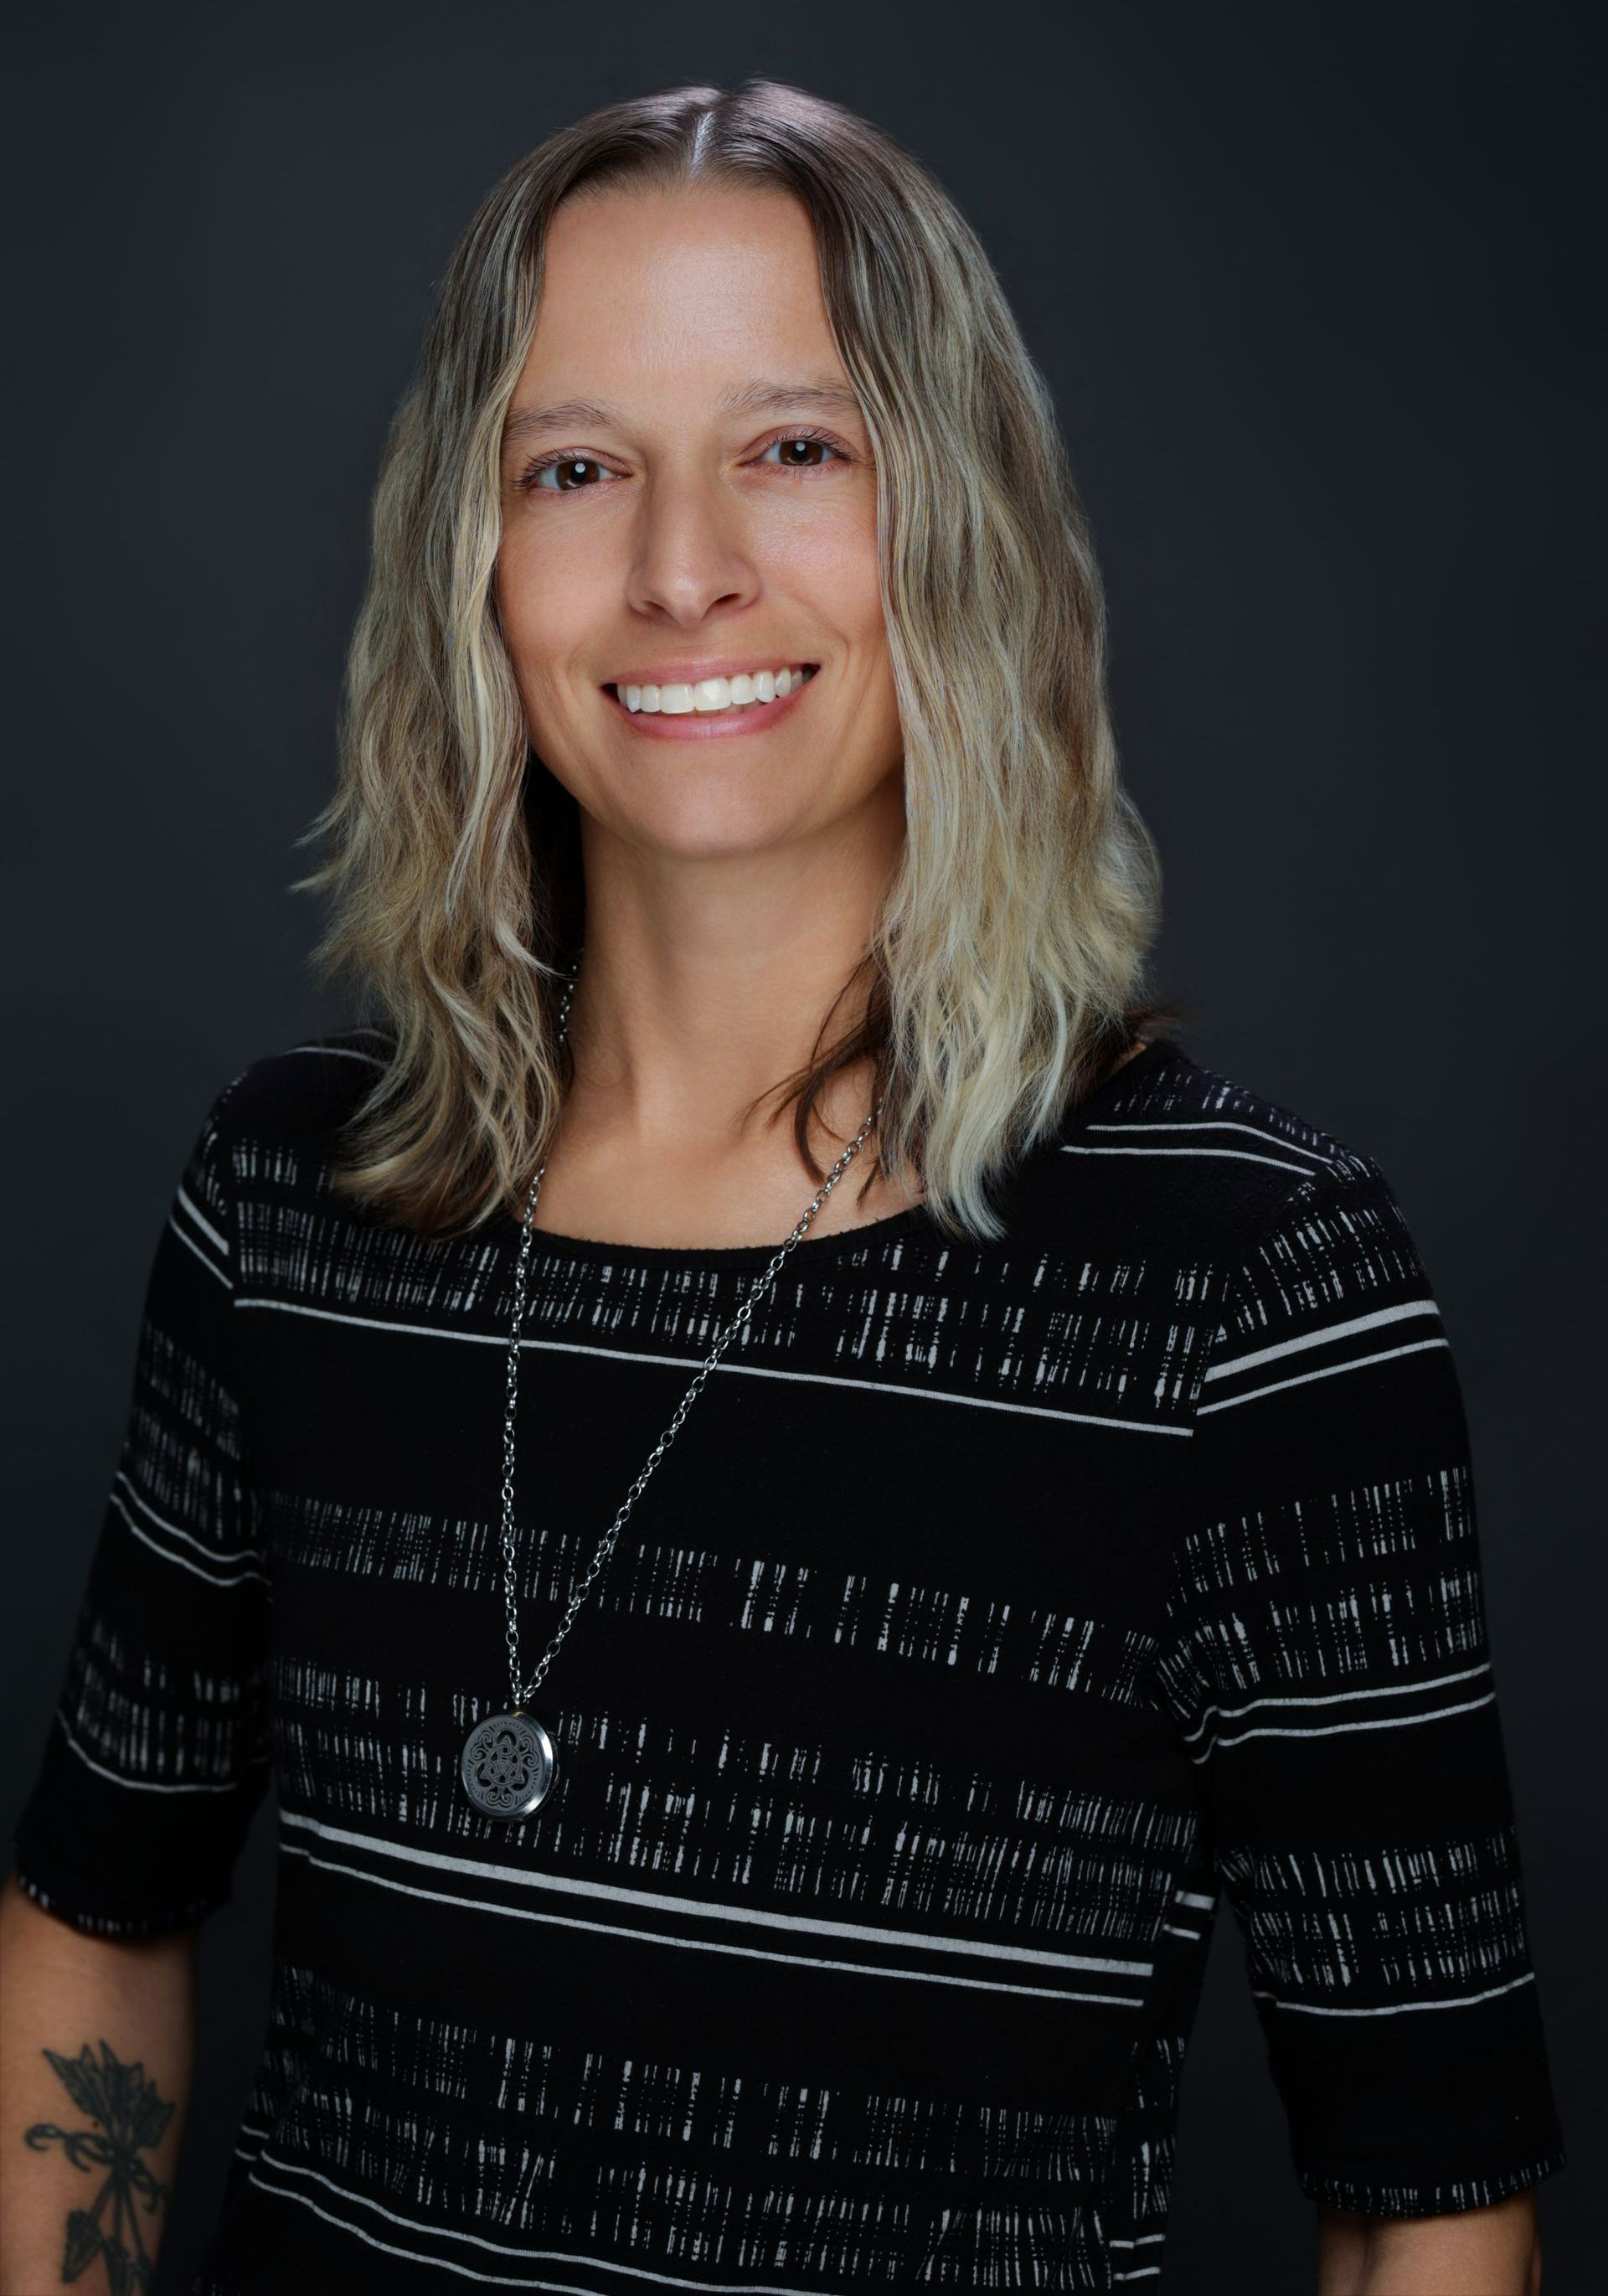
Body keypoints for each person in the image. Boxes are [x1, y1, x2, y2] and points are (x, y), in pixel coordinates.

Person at [1, 77, 1565, 2296]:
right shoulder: (291, 1205)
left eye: (797, 446)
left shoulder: (1252, 1297)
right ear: (472, 557)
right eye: (574, 466)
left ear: (965, 523)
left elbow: (1434, 2210)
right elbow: (92, 1914)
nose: (681, 567)